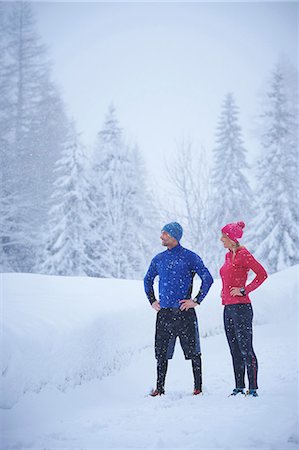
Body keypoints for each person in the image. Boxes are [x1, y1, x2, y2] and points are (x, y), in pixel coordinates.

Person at [144, 222, 213, 396]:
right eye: (162, 233)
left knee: (194, 352)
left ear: (175, 236)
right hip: (164, 313)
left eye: (165, 234)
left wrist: (196, 300)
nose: (161, 236)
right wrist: (152, 300)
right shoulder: (158, 259)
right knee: (161, 353)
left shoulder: (190, 257)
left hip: (185, 313)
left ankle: (198, 387)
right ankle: (159, 388)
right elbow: (147, 280)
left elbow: (208, 278)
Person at [220, 221, 268, 397]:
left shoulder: (244, 254)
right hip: (228, 308)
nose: (221, 240)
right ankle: (239, 386)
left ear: (231, 239)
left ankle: (253, 387)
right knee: (234, 348)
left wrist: (244, 290)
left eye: (223, 237)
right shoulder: (227, 256)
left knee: (245, 348)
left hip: (242, 308)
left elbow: (262, 274)